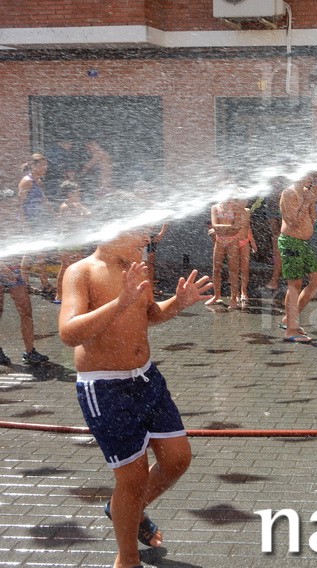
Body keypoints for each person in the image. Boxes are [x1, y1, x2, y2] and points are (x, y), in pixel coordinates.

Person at [58, 216, 212, 568]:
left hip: (146, 378)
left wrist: (179, 302)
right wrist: (119, 302)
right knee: (133, 479)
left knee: (177, 460)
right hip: (105, 387)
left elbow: (151, 314)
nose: (147, 237)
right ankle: (127, 558)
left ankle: (125, 509)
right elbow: (68, 333)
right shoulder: (81, 272)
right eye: (140, 230)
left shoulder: (137, 269)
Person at [0, 189, 49, 367]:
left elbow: (28, 245)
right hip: (2, 268)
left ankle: (30, 352)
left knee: (26, 311)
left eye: (16, 204)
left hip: (15, 271)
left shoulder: (19, 220)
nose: (15, 207)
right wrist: (5, 270)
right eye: (11, 204)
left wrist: (24, 266)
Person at [278, 173, 317, 343]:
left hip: (304, 243)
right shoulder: (288, 193)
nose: (310, 177)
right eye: (307, 173)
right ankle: (290, 330)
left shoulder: (305, 191)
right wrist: (307, 201)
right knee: (294, 284)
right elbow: (293, 222)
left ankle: (289, 320)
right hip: (291, 242)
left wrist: (312, 200)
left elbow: (314, 218)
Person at [18, 153, 55, 298]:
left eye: (46, 165)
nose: (45, 167)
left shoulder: (38, 181)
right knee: (34, 253)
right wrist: (25, 224)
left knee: (38, 253)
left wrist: (53, 214)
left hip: (39, 222)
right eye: (42, 165)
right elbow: (19, 204)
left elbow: (43, 199)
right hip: (30, 222)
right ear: (34, 165)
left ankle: (31, 284)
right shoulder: (26, 181)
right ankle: (40, 284)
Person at [205, 197, 248, 308]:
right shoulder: (215, 207)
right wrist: (229, 227)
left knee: (233, 270)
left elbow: (238, 227)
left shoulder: (235, 207)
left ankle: (233, 298)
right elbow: (214, 225)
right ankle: (216, 295)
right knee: (216, 269)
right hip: (219, 240)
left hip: (232, 240)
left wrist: (221, 228)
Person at [55, 181, 91, 304]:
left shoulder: (76, 204)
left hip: (76, 240)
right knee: (65, 267)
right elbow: (72, 222)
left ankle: (73, 292)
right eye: (76, 192)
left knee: (76, 266)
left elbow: (89, 213)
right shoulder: (65, 207)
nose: (79, 193)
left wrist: (82, 212)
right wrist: (83, 216)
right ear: (69, 194)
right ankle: (59, 294)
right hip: (67, 240)